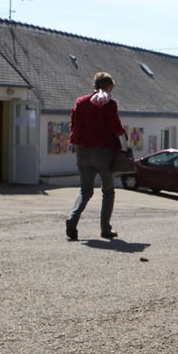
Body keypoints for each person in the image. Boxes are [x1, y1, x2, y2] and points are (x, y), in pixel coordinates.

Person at [66, 72, 127, 241]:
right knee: (108, 191)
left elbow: (73, 125)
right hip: (104, 153)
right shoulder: (109, 103)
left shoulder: (80, 102)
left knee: (85, 191)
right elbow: (116, 128)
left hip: (83, 152)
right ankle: (105, 229)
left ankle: (72, 218)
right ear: (108, 87)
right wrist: (122, 134)